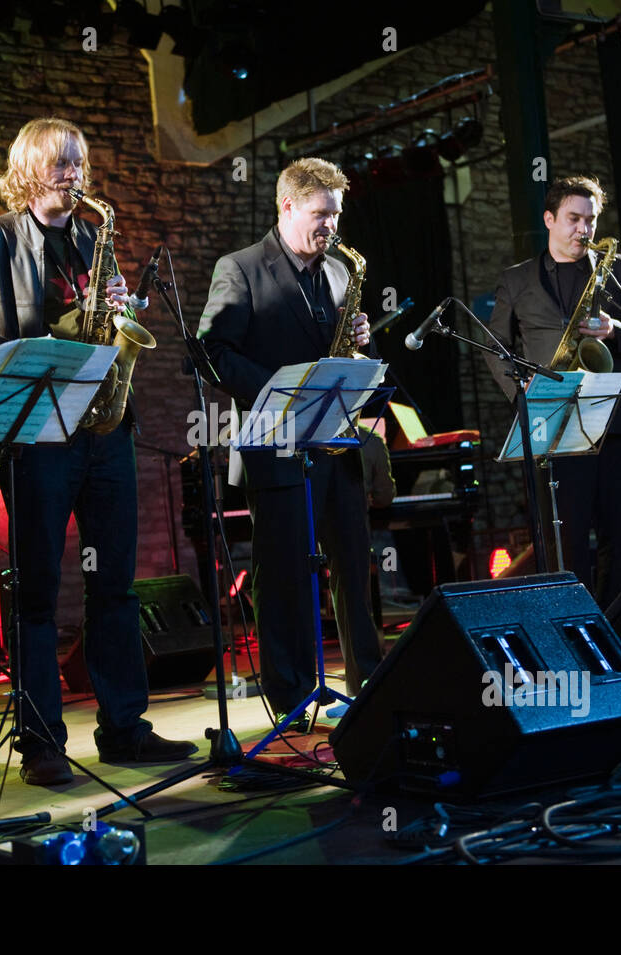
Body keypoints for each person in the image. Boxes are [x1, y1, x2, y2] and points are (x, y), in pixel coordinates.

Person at [0, 117, 196, 786]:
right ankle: (42, 739)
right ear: (26, 171)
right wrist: (28, 357)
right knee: (39, 591)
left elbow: (109, 330)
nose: (73, 175)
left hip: (104, 431)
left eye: (78, 163)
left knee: (116, 585)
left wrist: (116, 307)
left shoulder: (91, 239)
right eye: (60, 164)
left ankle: (124, 728)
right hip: (37, 434)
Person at [197, 157, 382, 721]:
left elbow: (348, 358)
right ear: (286, 205)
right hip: (273, 441)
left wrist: (361, 341)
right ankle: (291, 696)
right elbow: (212, 353)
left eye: (336, 215)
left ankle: (370, 684)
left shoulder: (340, 271)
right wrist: (282, 390)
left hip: (336, 442)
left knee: (355, 567)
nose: (331, 226)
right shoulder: (240, 267)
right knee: (283, 574)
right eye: (320, 213)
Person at [484, 175, 621, 606]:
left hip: (615, 419)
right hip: (554, 422)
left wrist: (615, 329)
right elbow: (493, 348)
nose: (584, 229)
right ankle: (574, 628)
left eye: (591, 220)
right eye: (574, 219)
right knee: (567, 539)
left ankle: (619, 630)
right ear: (549, 219)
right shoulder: (516, 278)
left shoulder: (617, 267)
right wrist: (523, 397)